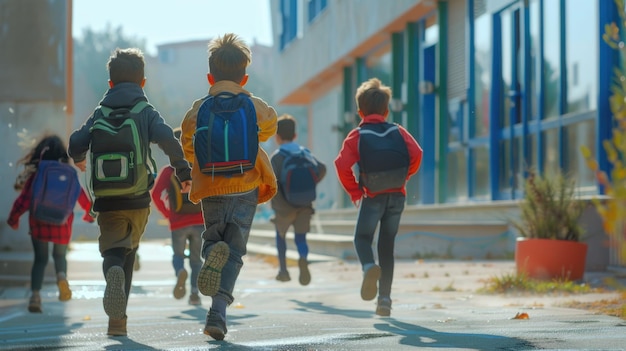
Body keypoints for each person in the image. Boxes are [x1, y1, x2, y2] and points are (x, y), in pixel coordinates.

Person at [68, 48, 192, 336]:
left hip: (107, 199)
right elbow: (169, 142)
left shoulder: (100, 112)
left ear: (110, 84)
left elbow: (76, 141)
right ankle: (119, 321)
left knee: (113, 250)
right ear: (143, 83)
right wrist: (184, 174)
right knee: (129, 250)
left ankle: (115, 312)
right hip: (137, 197)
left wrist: (79, 159)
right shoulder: (144, 111)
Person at [180, 33, 277, 341]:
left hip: (210, 185)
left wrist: (200, 158)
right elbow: (271, 123)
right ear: (244, 77)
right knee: (235, 251)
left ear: (210, 76)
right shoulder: (252, 104)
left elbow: (186, 140)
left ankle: (210, 255)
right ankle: (218, 311)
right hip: (246, 183)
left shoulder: (200, 107)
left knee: (214, 237)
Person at [334, 78, 423, 317]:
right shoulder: (399, 131)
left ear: (360, 111)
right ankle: (384, 300)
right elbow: (417, 154)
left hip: (372, 196)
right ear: (386, 110)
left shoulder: (357, 135)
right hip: (397, 195)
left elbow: (341, 165)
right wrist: (404, 177)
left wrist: (355, 191)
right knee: (387, 247)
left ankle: (368, 267)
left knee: (362, 238)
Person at [7, 133, 94, 313]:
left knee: (40, 260)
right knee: (60, 256)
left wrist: (13, 219)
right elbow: (82, 197)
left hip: (39, 222)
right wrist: (89, 214)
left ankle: (35, 297)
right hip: (62, 223)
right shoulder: (70, 174)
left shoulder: (39, 172)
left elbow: (24, 200)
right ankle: (61, 277)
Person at [270, 114, 326, 285]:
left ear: (277, 137)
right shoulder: (305, 152)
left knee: (281, 236)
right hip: (305, 204)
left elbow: (271, 180)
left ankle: (284, 270)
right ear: (295, 135)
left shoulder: (277, 156)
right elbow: (322, 168)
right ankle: (303, 258)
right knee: (301, 238)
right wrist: (310, 184)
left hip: (284, 207)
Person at [151, 127, 204, 306]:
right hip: (199, 221)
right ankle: (195, 294)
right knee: (197, 259)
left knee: (178, 255)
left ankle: (180, 270)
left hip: (178, 222)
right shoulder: (198, 167)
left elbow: (155, 194)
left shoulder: (169, 171)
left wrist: (168, 214)